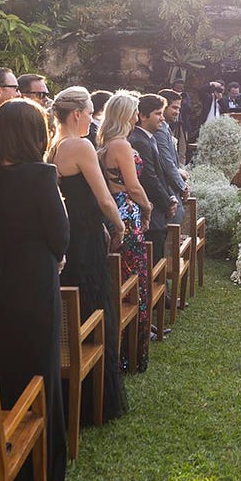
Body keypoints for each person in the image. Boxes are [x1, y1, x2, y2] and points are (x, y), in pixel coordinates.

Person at [0, 98, 68, 481]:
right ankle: (41, 467)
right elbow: (60, 236)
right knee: (40, 375)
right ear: (34, 134)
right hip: (33, 285)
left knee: (4, 371)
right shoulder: (41, 175)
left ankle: (6, 457)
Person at [49, 86, 129, 424]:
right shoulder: (80, 145)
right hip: (87, 238)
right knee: (96, 309)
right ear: (79, 114)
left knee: (72, 317)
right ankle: (98, 401)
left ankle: (72, 398)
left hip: (69, 239)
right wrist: (119, 226)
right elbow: (104, 198)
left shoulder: (52, 147)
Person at [99, 91, 153, 371]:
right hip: (127, 213)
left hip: (121, 209)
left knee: (127, 276)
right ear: (125, 114)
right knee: (134, 277)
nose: (137, 115)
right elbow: (132, 186)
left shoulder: (109, 142)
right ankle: (130, 355)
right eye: (134, 110)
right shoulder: (120, 144)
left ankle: (127, 351)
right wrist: (147, 207)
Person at [131, 94, 176, 268]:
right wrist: (166, 203)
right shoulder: (139, 140)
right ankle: (158, 292)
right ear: (143, 116)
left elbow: (161, 174)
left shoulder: (148, 138)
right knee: (154, 263)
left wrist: (170, 197)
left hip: (158, 208)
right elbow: (149, 179)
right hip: (151, 209)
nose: (162, 118)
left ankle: (162, 291)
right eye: (158, 113)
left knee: (158, 260)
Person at [156, 89, 189, 209]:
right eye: (174, 108)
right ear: (163, 107)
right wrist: (183, 186)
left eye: (179, 109)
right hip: (167, 190)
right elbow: (167, 162)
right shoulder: (159, 131)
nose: (177, 112)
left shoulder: (165, 127)